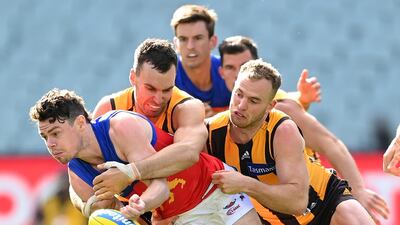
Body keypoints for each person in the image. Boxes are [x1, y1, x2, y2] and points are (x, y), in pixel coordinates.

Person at [217, 35, 389, 223]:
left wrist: (358, 190)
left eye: (244, 65)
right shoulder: (215, 118)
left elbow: (330, 143)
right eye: (230, 67)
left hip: (320, 198)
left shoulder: (282, 106)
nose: (237, 73)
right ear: (221, 72)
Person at [91, 39, 261, 224]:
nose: (158, 99)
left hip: (214, 193)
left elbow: (188, 154)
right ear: (133, 77)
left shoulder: (186, 107)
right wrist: (125, 212)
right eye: (150, 88)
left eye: (167, 90)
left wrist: (130, 172)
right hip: (161, 210)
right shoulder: (108, 109)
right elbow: (83, 177)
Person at [30, 88, 261, 225]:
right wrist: (124, 212)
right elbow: (106, 215)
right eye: (44, 137)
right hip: (177, 219)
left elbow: (161, 188)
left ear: (80, 123)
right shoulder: (78, 176)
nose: (50, 144)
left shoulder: (120, 127)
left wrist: (137, 196)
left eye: (55, 133)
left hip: (214, 190)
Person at [171, 5, 321, 117]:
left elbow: (273, 101)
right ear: (175, 43)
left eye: (198, 38)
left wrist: (303, 99)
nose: (190, 46)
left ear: (212, 41)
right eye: (183, 39)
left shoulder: (231, 69)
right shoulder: (167, 74)